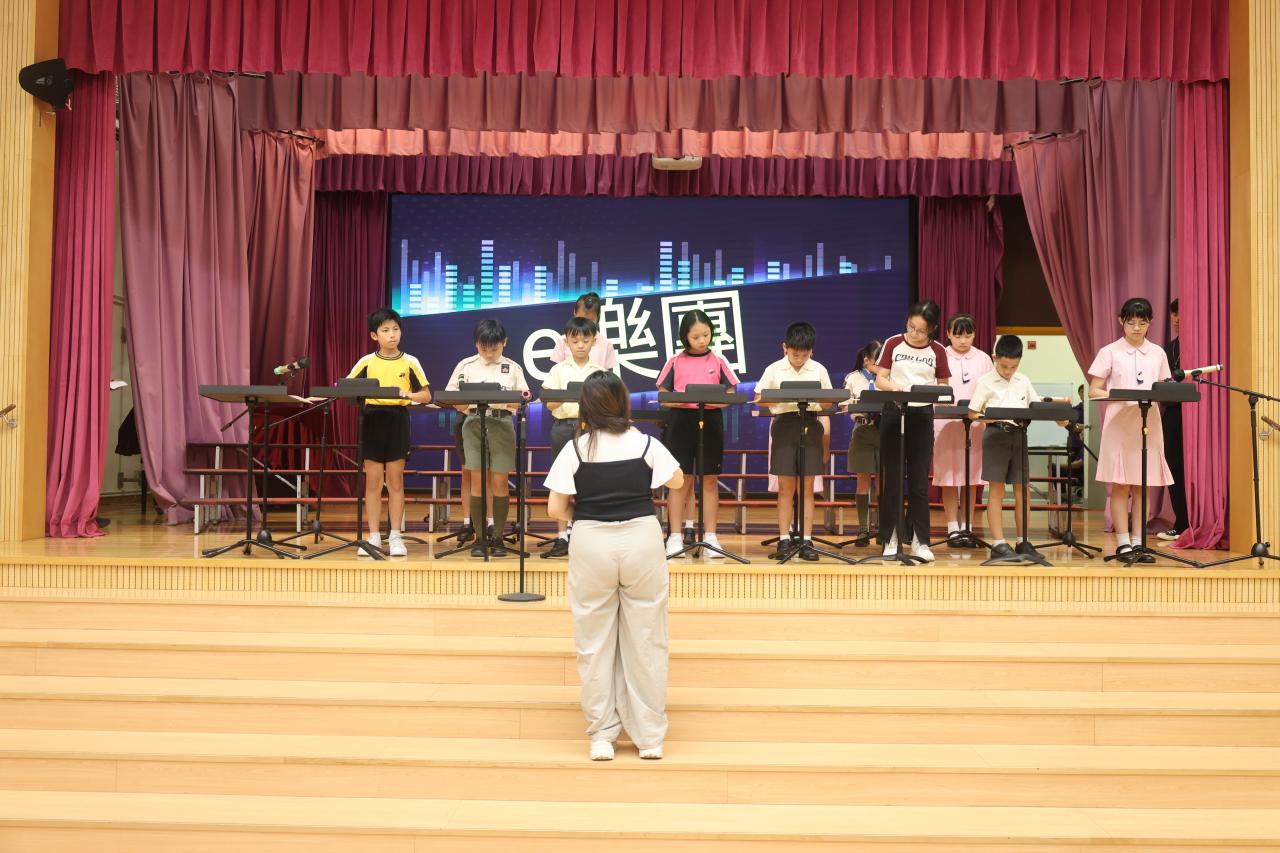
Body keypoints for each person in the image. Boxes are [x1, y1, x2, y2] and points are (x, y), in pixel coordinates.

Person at [544, 371, 684, 762]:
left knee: (594, 643)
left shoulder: (575, 448)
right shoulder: (645, 443)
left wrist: (583, 512)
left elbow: (555, 508)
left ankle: (602, 735)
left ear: (586, 407)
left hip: (591, 541)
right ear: (623, 403)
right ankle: (649, 737)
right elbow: (676, 481)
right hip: (641, 539)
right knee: (647, 639)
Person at [1088, 297, 1174, 563]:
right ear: (1121, 322)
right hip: (1119, 425)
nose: (1136, 328)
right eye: (1131, 322)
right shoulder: (1109, 351)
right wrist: (1118, 394)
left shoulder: (1158, 353)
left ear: (1150, 323)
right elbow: (1094, 390)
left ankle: (1139, 542)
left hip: (1148, 424)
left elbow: (1164, 387)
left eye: (1142, 323)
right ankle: (1123, 543)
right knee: (1120, 484)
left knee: (1142, 485)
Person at [347, 307, 432, 557]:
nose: (392, 334)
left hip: (398, 420)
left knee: (396, 481)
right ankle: (373, 536)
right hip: (372, 419)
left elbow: (426, 395)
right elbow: (346, 387)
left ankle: (395, 536)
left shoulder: (410, 361)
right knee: (373, 482)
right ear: (374, 335)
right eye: (385, 330)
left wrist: (408, 394)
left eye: (395, 329)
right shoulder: (366, 361)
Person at [655, 309, 741, 558]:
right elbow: (663, 393)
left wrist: (711, 402)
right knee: (680, 480)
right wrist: (685, 399)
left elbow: (731, 392)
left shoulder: (718, 360)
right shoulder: (675, 361)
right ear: (685, 336)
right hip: (681, 422)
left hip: (710, 421)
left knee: (710, 479)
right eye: (696, 337)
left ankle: (711, 537)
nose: (702, 340)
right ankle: (675, 537)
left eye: (706, 334)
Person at [968, 335, 1059, 561]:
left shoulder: (1023, 380)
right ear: (995, 358)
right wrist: (991, 417)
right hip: (996, 435)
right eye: (1004, 366)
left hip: (1019, 434)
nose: (1008, 371)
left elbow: (1035, 405)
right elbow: (972, 413)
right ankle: (999, 543)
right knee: (996, 490)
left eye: (1013, 367)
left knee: (1023, 490)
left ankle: (1023, 540)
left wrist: (1057, 414)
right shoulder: (985, 382)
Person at [445, 319, 530, 558]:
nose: (489, 353)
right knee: (477, 480)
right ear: (476, 344)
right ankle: (480, 537)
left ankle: (498, 537)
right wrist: (464, 406)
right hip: (473, 423)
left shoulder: (513, 367)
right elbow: (450, 395)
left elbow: (524, 398)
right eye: (484, 348)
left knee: (500, 481)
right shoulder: (466, 365)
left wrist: (507, 400)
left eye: (494, 348)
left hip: (502, 423)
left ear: (505, 342)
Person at [874, 300, 949, 563]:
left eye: (921, 330)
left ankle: (920, 540)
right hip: (894, 412)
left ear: (932, 329)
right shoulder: (893, 343)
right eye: (911, 327)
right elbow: (880, 378)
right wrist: (896, 389)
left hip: (921, 415)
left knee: (918, 482)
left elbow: (944, 385)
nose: (914, 333)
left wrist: (925, 391)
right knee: (892, 480)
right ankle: (891, 537)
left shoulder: (938, 350)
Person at [754, 321, 832, 562]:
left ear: (812, 351)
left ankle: (806, 539)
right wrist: (781, 396)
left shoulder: (818, 369)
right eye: (795, 354)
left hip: (810, 424)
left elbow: (828, 403)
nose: (799, 359)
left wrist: (817, 398)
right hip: (784, 424)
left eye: (804, 355)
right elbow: (758, 398)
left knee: (807, 488)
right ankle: (784, 538)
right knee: (786, 487)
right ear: (784, 347)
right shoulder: (774, 369)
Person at [541, 316, 607, 558]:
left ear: (594, 341)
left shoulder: (600, 372)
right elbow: (549, 403)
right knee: (562, 481)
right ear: (566, 341)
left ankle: (589, 533)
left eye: (585, 341)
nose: (580, 345)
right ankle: (562, 536)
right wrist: (570, 394)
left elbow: (606, 405)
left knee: (592, 481)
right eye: (575, 340)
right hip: (564, 427)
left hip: (593, 429)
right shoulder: (558, 370)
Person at [932, 314, 994, 547]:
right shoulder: (940, 355)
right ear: (948, 334)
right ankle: (952, 528)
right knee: (948, 476)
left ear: (974, 334)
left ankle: (967, 527)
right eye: (958, 335)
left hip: (975, 425)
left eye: (968, 335)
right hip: (945, 424)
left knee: (971, 477)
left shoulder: (983, 358)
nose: (963, 340)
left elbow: (990, 389)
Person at [842, 340, 883, 544]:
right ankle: (863, 530)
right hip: (862, 429)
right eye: (877, 360)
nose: (882, 364)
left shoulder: (888, 377)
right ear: (866, 360)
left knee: (884, 481)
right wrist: (859, 404)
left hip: (885, 429)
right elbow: (843, 405)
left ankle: (884, 529)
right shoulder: (853, 378)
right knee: (863, 481)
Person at [1158, 298, 1188, 540]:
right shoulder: (1167, 350)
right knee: (1173, 467)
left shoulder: (1204, 346)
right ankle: (1181, 523)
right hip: (1173, 415)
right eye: (1174, 314)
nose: (1177, 319)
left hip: (1198, 415)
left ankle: (1202, 519)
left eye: (1181, 314)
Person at [552, 292, 618, 371]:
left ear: (598, 317)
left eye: (590, 320)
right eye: (581, 318)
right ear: (575, 313)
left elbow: (608, 375)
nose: (585, 324)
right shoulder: (563, 341)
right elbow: (556, 371)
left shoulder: (606, 344)